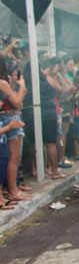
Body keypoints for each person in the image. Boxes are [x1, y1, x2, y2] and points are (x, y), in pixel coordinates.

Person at [0, 55, 28, 201]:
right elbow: (17, 103)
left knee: (10, 157)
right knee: (14, 157)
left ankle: (13, 189)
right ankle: (13, 190)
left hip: (7, 118)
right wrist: (22, 86)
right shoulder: (2, 82)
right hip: (10, 118)